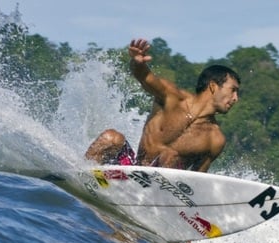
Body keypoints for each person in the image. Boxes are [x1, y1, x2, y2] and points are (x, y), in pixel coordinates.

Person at [85, 38, 240, 172]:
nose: (235, 98)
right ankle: (82, 176)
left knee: (170, 156)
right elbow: (144, 77)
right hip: (132, 169)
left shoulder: (215, 139)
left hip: (163, 189)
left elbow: (197, 178)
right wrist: (137, 62)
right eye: (233, 90)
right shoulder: (172, 98)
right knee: (112, 137)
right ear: (213, 86)